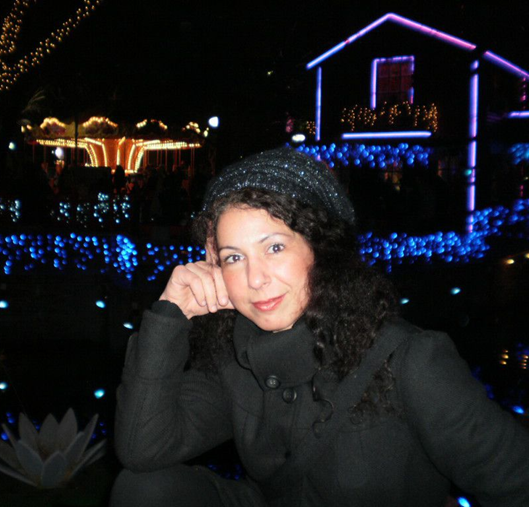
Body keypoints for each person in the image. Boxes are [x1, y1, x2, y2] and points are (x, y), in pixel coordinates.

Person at [110, 147, 529, 507]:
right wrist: (170, 314)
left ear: (321, 249)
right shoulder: (237, 355)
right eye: (234, 257)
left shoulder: (410, 360)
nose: (255, 278)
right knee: (144, 490)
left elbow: (515, 481)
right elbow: (142, 449)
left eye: (275, 247)